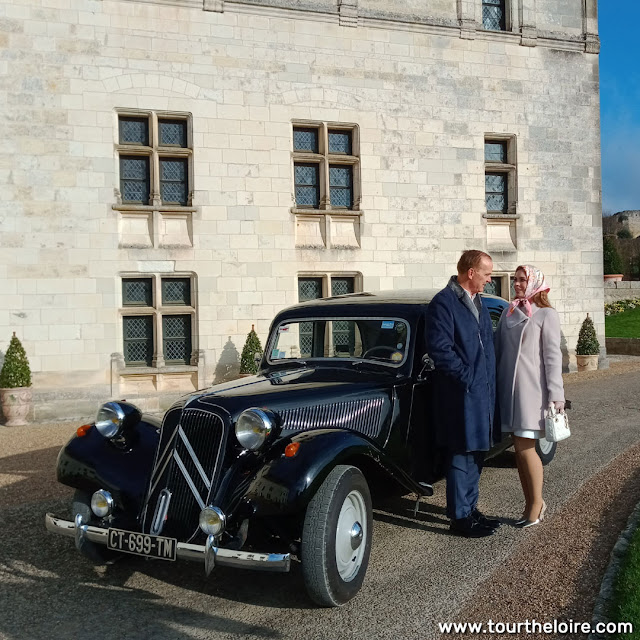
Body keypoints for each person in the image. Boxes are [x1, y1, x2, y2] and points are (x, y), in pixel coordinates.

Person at [426, 250, 501, 538]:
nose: (489, 279)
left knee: (477, 452)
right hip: (460, 395)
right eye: (486, 274)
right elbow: (440, 350)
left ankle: (470, 509)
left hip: (482, 392)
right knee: (461, 453)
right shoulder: (443, 303)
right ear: (471, 273)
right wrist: (468, 378)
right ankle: (459, 518)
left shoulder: (478, 301)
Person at [494, 265, 565, 528]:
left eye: (522, 280)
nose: (517, 284)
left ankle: (536, 504)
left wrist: (556, 394)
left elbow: (552, 357)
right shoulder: (508, 311)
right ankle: (530, 503)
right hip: (508, 390)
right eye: (515, 279)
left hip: (532, 391)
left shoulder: (546, 314)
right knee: (519, 449)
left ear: (534, 282)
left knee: (525, 448)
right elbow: (498, 350)